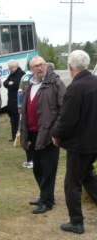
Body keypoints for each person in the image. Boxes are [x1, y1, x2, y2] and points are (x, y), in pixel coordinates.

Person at [51, 50, 97, 234]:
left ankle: (76, 222)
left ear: (70, 67)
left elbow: (66, 119)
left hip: (81, 144)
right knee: (87, 175)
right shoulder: (94, 82)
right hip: (93, 141)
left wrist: (56, 134)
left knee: (72, 183)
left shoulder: (76, 88)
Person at [20, 55, 66, 214]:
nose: (40, 68)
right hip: (32, 133)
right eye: (36, 66)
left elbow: (64, 109)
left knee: (48, 169)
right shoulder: (28, 85)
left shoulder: (56, 83)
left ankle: (47, 201)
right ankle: (45, 196)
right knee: (37, 168)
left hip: (49, 135)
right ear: (30, 69)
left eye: (42, 65)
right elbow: (25, 110)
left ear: (46, 66)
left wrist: (55, 131)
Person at [4, 60, 25, 142]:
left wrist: (10, 84)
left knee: (18, 119)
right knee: (12, 119)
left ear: (15, 66)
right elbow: (5, 83)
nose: (10, 70)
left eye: (11, 68)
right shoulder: (12, 74)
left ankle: (19, 135)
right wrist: (9, 83)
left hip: (17, 100)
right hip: (11, 101)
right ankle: (13, 136)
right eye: (9, 68)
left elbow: (16, 85)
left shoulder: (21, 73)